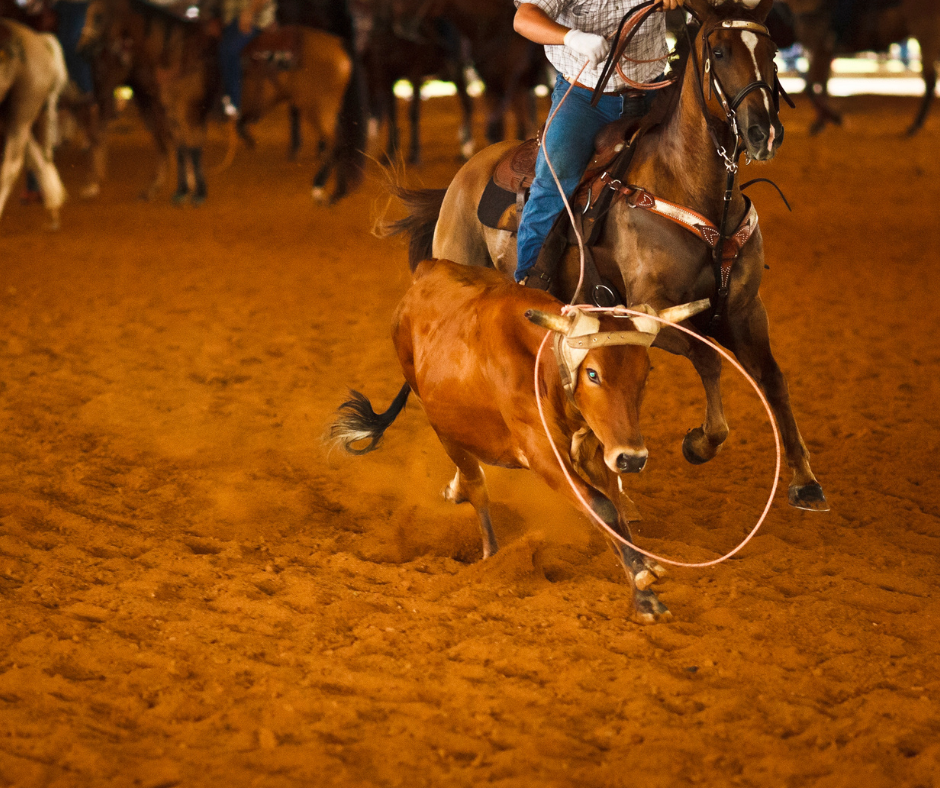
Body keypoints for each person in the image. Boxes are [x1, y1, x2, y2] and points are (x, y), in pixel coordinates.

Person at [512, 0, 685, 287]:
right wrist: (572, 37)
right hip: (584, 99)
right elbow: (524, 18)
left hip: (654, 93)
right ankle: (527, 279)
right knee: (554, 177)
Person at [219, 0, 276, 118]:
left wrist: (249, 13)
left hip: (254, 21)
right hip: (233, 20)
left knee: (229, 50)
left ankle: (233, 101)